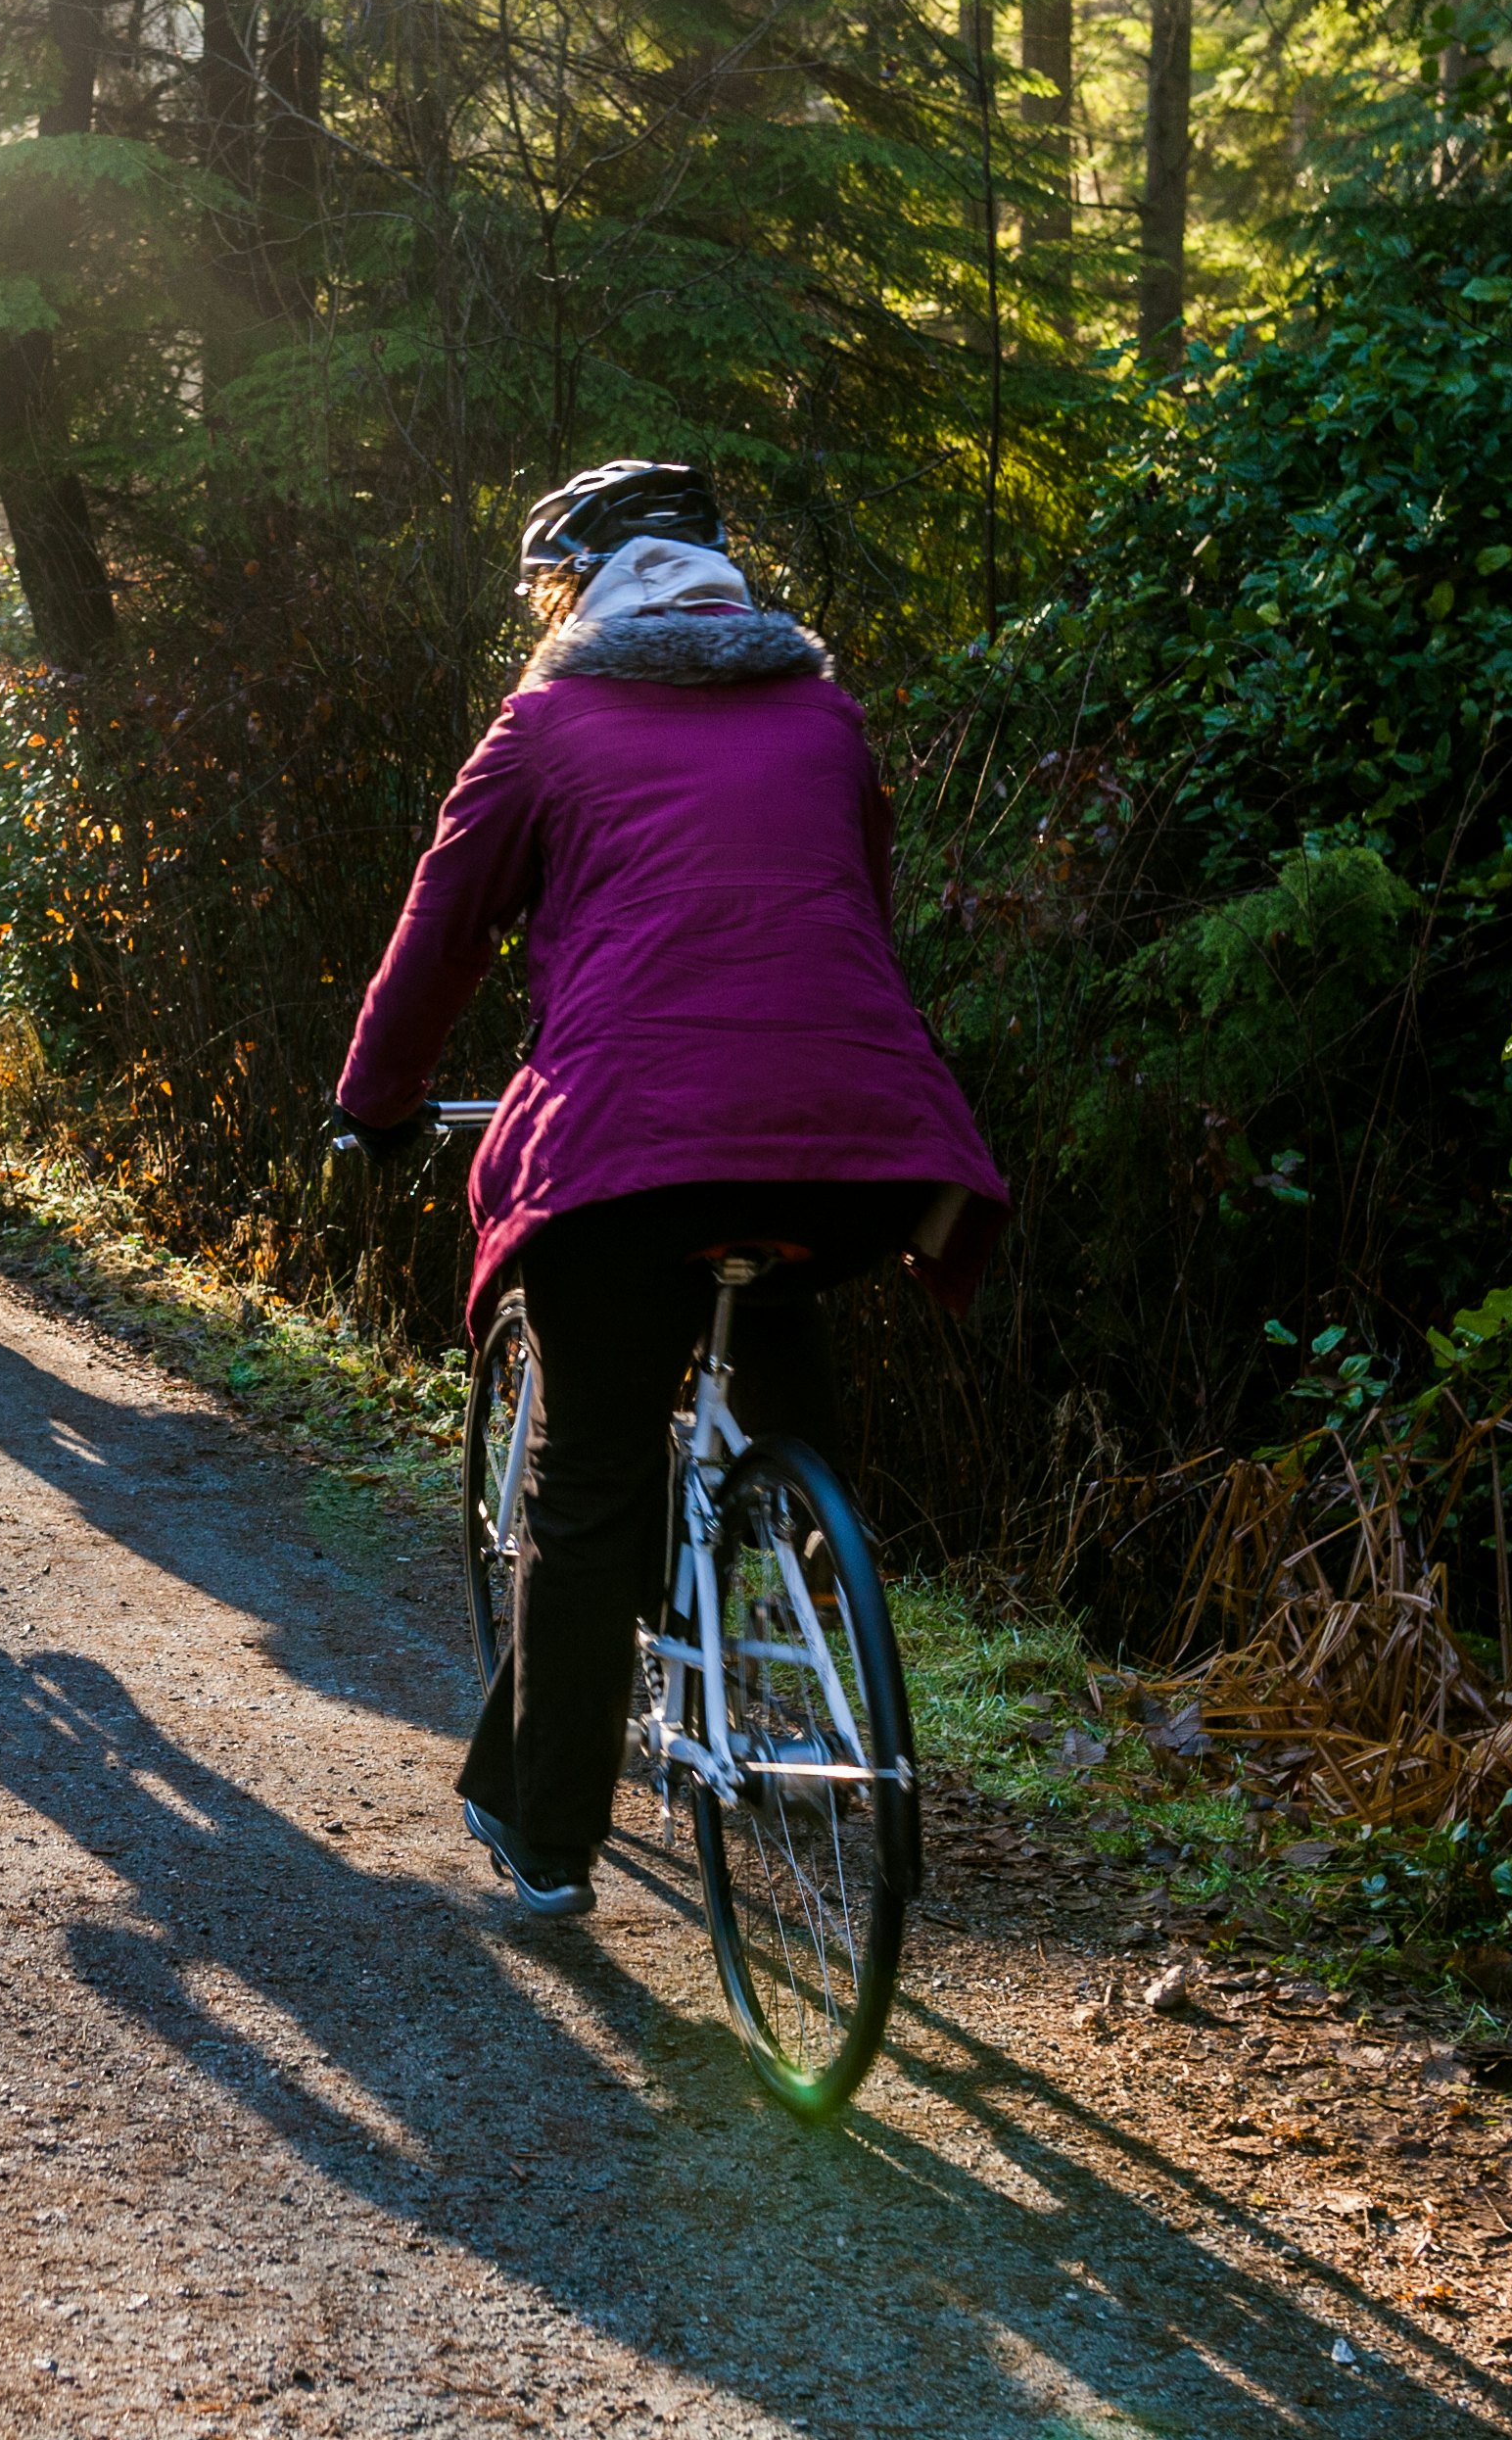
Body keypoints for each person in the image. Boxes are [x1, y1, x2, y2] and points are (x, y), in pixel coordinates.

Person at [332, 459, 1010, 1918]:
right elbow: (841, 916)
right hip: (854, 1137)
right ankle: (808, 1554)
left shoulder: (546, 725)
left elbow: (439, 934)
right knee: (768, 1291)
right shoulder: (826, 718)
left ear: (575, 594)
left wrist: (377, 1105)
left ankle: (549, 1838)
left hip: (630, 1145)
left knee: (585, 1485)